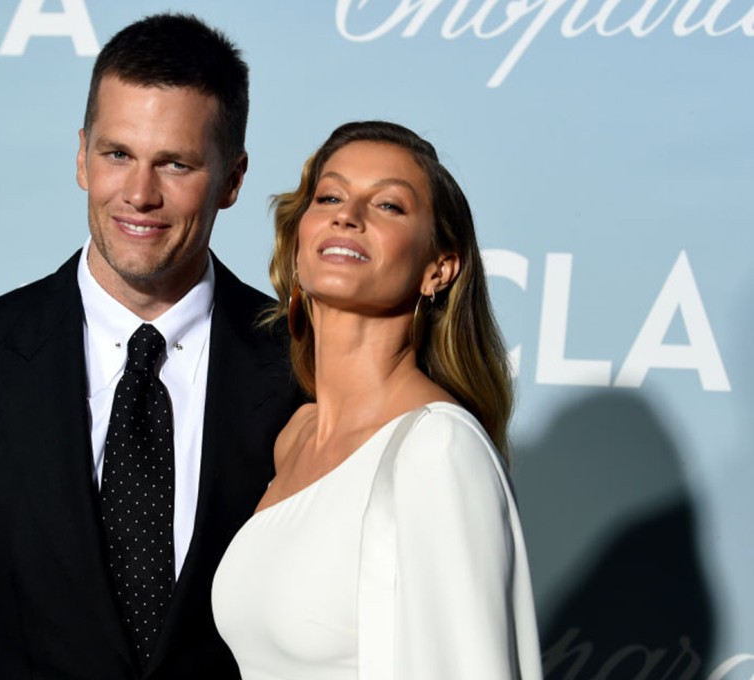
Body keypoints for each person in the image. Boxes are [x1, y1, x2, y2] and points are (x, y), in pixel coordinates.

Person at [0, 13, 301, 680]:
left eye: (174, 164)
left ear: (232, 179)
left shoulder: (305, 365)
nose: (139, 194)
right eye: (116, 154)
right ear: (81, 156)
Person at [211, 121, 543, 678]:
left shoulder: (439, 449)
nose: (348, 214)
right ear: (298, 244)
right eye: (331, 196)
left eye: (388, 205)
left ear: (439, 267)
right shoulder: (294, 436)